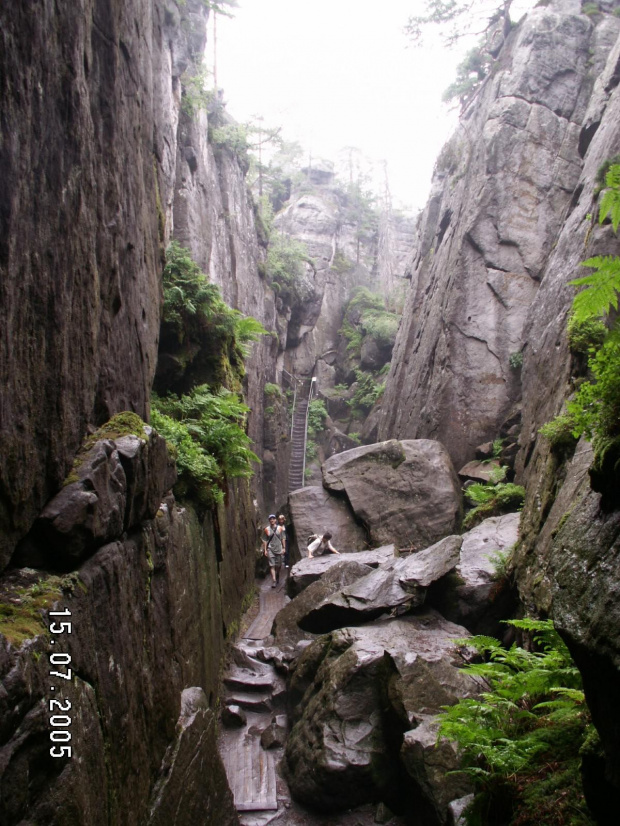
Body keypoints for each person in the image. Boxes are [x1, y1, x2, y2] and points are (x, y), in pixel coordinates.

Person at [262, 514, 285, 587]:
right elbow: (265, 540)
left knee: (279, 565)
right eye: (270, 519)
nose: (272, 520)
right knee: (272, 565)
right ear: (269, 521)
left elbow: (283, 538)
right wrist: (265, 550)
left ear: (275, 520)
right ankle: (274, 580)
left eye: (273, 519)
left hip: (279, 548)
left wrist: (284, 548)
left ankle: (277, 573)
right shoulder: (266, 529)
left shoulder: (280, 528)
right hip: (270, 549)